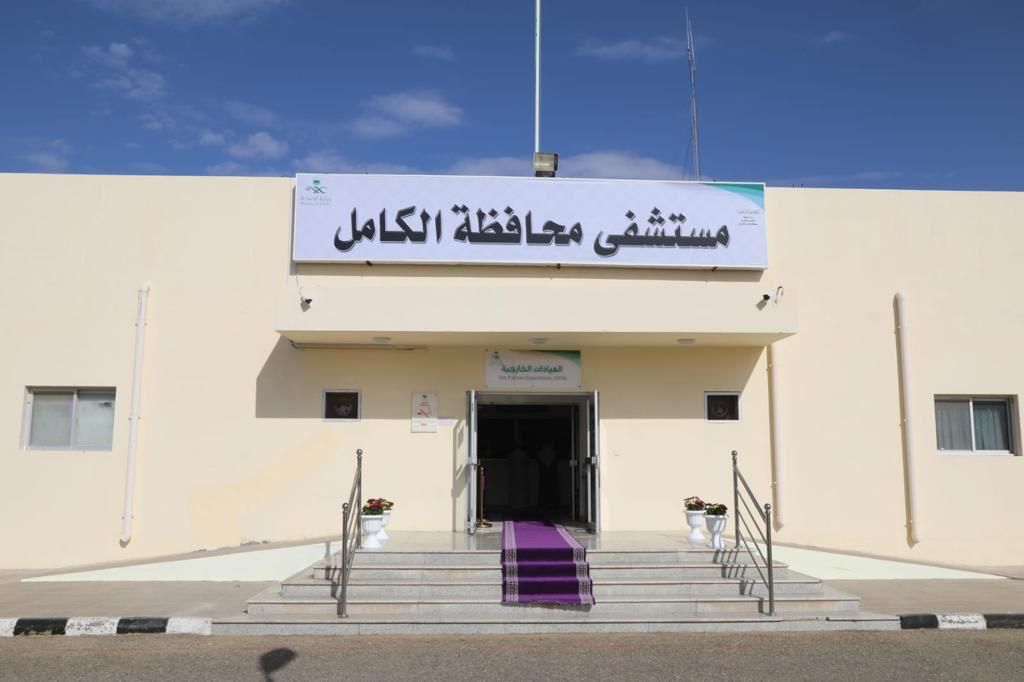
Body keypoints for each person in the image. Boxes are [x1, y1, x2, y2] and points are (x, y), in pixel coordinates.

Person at [536, 442, 559, 511]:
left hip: (546, 475)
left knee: (547, 489)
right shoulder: (552, 453)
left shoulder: (541, 454)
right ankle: (548, 505)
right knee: (547, 489)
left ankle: (547, 505)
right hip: (548, 475)